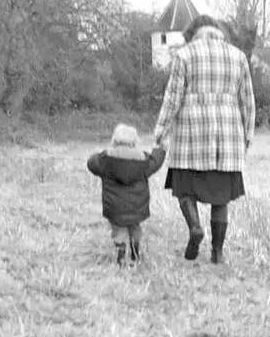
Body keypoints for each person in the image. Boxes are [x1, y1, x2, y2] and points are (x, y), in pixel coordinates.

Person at [152, 14, 256, 264]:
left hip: (191, 136)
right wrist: (247, 134)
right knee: (221, 199)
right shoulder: (238, 56)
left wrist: (161, 133)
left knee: (184, 188)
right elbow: (248, 101)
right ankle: (217, 253)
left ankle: (195, 228)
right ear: (218, 31)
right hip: (227, 140)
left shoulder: (185, 56)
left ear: (192, 34)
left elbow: (172, 99)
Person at [87, 124, 166, 266]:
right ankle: (135, 255)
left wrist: (102, 152)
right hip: (137, 206)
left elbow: (91, 163)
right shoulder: (143, 160)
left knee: (119, 229)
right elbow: (156, 161)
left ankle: (121, 258)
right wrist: (159, 147)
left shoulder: (105, 159)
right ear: (135, 141)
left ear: (114, 139)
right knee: (135, 227)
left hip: (114, 206)